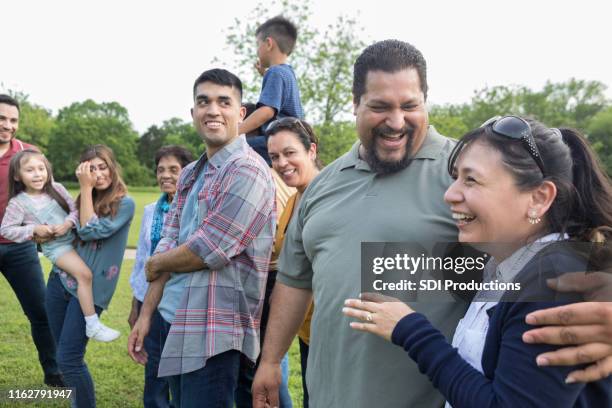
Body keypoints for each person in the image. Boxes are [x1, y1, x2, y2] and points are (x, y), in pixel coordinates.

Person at [252, 40, 612, 408]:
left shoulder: (465, 171)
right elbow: (296, 278)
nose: (396, 121)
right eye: (380, 106)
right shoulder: (322, 186)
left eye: (410, 105)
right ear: (355, 103)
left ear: (426, 99)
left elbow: (576, 251)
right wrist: (269, 360)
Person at [343, 116, 612, 406]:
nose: (450, 194)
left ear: (538, 198)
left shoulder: (555, 279)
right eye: (456, 177)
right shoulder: (503, 264)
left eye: (471, 179)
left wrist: (410, 329)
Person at [128, 68, 276, 408]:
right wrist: (147, 314)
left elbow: (210, 249)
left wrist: (154, 263)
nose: (213, 110)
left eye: (224, 102)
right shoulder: (191, 172)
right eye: (203, 101)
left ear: (241, 114)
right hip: (170, 317)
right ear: (193, 112)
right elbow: (168, 238)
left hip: (213, 328)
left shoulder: (247, 170)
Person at [46, 144, 135, 407]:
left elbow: (89, 231)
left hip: (90, 290)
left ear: (112, 167)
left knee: (69, 359)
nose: (98, 173)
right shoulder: (85, 199)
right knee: (63, 353)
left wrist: (85, 188)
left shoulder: (125, 203)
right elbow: (70, 232)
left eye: (103, 166)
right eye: (91, 169)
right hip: (60, 280)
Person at [2, 149, 120, 342]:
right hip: (57, 248)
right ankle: (92, 324)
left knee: (91, 273)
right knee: (84, 275)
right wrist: (34, 229)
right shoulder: (18, 203)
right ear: (17, 175)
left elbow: (75, 210)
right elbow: (6, 229)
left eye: (41, 168)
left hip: (74, 238)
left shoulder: (56, 188)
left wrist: (67, 224)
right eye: (30, 170)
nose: (37, 174)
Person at [0, 94, 63, 387]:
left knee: (41, 312)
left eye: (13, 120)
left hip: (19, 248)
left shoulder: (28, 154)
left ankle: (54, 373)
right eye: (2, 119)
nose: (7, 125)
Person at [128, 145, 193, 408]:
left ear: (186, 173)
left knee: (179, 375)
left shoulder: (194, 208)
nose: (166, 175)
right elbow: (143, 260)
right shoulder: (151, 210)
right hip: (150, 302)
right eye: (161, 170)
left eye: (173, 170)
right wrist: (137, 305)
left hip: (180, 302)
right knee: (154, 370)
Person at [266, 117, 321, 408]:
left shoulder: (328, 196)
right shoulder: (293, 200)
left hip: (329, 330)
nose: (282, 163)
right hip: (304, 327)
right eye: (274, 156)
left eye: (290, 153)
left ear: (311, 150)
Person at [238, 15, 304, 165]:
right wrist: (264, 74)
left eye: (257, 44)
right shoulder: (286, 73)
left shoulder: (275, 73)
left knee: (235, 149)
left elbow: (267, 111)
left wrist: (236, 132)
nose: (257, 50)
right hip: (294, 137)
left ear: (268, 44)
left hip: (279, 138)